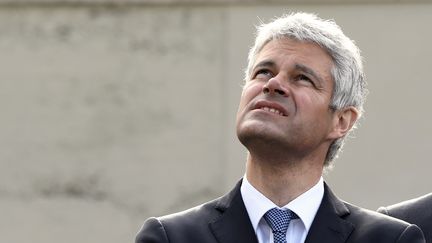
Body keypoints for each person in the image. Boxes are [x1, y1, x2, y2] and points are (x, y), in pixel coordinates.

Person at [136, 12, 425, 243]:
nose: (273, 84)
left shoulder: (389, 238)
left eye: (301, 78)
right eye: (263, 72)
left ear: (341, 121)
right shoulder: (171, 237)